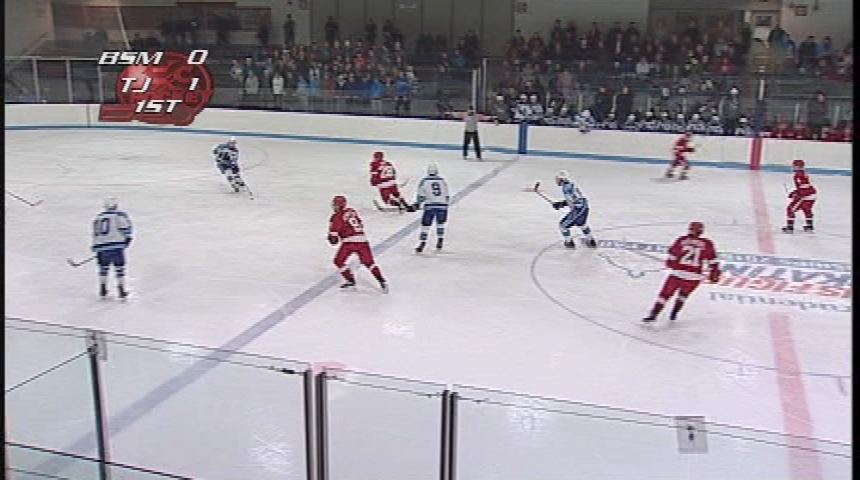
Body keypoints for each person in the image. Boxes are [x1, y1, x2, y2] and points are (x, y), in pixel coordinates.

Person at [643, 222, 719, 323]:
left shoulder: (681, 240)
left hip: (677, 274)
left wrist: (671, 264)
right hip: (694, 277)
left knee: (664, 296)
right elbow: (713, 261)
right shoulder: (707, 243)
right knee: (683, 295)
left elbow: (671, 258)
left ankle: (654, 314)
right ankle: (674, 313)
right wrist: (714, 273)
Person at [328, 195, 387, 292]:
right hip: (363, 241)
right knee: (370, 263)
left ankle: (351, 281)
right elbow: (360, 224)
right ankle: (382, 281)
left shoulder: (336, 216)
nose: (334, 207)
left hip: (349, 242)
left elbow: (334, 236)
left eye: (335, 205)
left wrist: (332, 237)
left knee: (338, 261)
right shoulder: (352, 212)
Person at [92, 198, 133, 298]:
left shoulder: (98, 217)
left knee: (103, 267)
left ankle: (103, 287)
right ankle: (121, 289)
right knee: (119, 267)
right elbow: (126, 228)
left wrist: (97, 248)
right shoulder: (119, 215)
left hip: (101, 246)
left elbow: (95, 233)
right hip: (116, 245)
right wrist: (127, 238)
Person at [550, 170, 597, 249]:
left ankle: (569, 242)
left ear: (562, 179)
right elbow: (575, 199)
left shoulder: (566, 188)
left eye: (558, 179)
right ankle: (591, 241)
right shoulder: (571, 184)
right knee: (582, 224)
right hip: (584, 207)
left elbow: (572, 201)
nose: (557, 181)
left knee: (562, 226)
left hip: (578, 210)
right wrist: (561, 203)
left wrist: (560, 204)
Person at [412, 164, 450, 253]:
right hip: (443, 206)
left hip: (430, 206)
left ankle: (422, 243)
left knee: (425, 226)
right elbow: (447, 195)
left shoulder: (424, 181)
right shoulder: (442, 181)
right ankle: (440, 240)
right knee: (440, 224)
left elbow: (420, 195)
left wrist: (417, 204)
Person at [783, 159, 817, 233]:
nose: (793, 167)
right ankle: (810, 226)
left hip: (806, 196)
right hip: (812, 195)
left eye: (794, 166)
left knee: (790, 209)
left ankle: (790, 227)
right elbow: (805, 187)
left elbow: (804, 189)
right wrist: (795, 192)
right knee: (806, 209)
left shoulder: (798, 175)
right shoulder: (804, 174)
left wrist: (796, 194)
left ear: (797, 166)